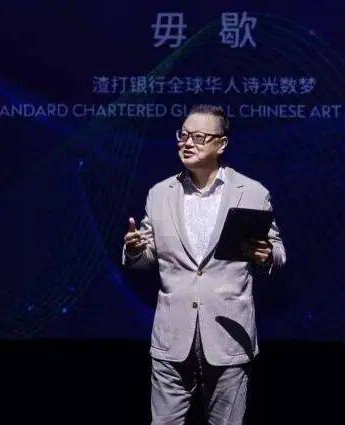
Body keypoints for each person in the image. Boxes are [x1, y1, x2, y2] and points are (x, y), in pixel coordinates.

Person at [122, 104, 287, 425]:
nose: (187, 143)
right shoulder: (160, 193)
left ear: (221, 144)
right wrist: (134, 250)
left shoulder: (252, 192)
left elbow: (278, 253)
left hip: (228, 338)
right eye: (183, 135)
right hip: (172, 337)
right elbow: (146, 258)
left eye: (198, 137)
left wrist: (266, 254)